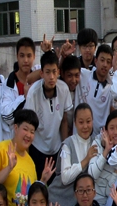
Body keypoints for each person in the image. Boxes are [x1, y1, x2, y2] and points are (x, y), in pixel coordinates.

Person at [0, 109, 55, 206]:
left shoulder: (31, 162)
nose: (28, 135)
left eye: (32, 132)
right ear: (16, 128)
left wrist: (42, 181)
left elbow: (32, 195)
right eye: (25, 129)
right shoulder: (0, 149)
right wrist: (9, 168)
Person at [24, 51, 73, 179]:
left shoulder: (63, 89)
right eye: (47, 72)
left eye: (54, 72)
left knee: (56, 183)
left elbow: (64, 120)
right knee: (38, 183)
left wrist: (64, 147)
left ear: (58, 72)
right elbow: (29, 125)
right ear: (41, 73)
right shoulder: (33, 92)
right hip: (37, 147)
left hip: (56, 147)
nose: (51, 77)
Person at [48, 103, 101, 206]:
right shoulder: (68, 144)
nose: (85, 126)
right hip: (58, 202)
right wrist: (86, 159)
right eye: (81, 122)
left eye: (88, 121)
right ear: (75, 123)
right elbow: (65, 178)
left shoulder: (96, 143)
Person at [0, 37, 37, 141]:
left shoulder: (39, 78)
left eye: (29, 56)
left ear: (34, 56)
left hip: (37, 141)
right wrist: (24, 97)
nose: (26, 60)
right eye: (22, 56)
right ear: (17, 57)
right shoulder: (8, 83)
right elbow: (6, 116)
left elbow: (51, 69)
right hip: (15, 142)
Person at [75, 44, 115, 135]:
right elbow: (66, 69)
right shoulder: (83, 75)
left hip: (101, 139)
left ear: (111, 65)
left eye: (108, 62)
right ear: (96, 61)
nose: (105, 64)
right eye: (102, 60)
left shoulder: (112, 87)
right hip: (80, 136)